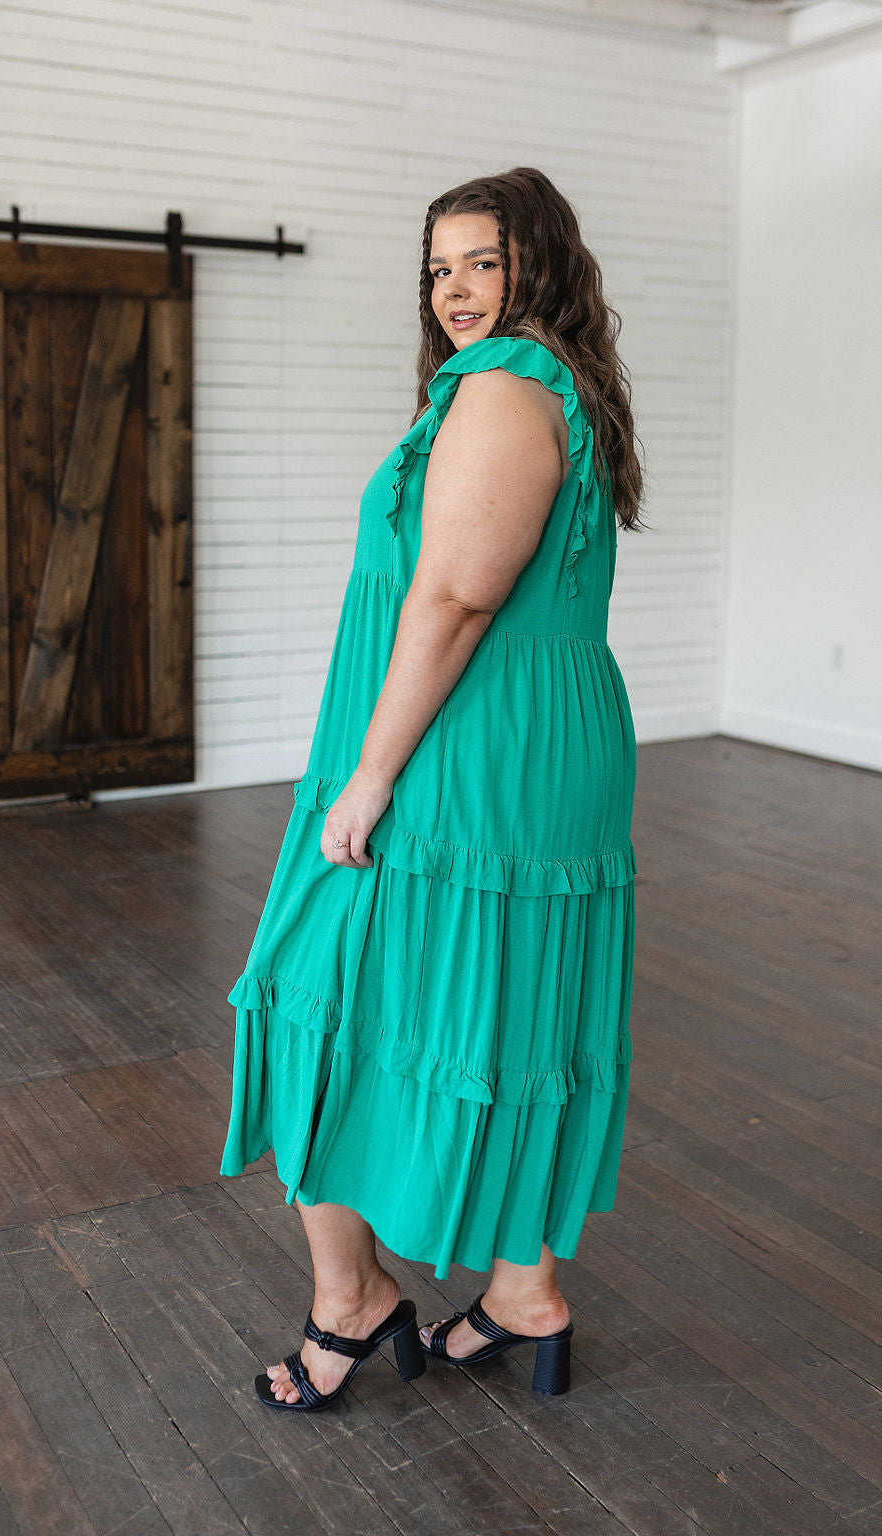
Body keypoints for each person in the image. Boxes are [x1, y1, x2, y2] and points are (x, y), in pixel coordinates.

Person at [218, 166, 646, 1412]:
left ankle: (351, 1303)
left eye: (483, 262)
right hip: (532, 738)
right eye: (438, 268)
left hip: (468, 749)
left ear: (537, 265)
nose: (455, 290)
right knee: (513, 1012)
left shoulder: (505, 386)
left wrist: (369, 775)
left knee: (309, 993)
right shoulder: (557, 386)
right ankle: (523, 1295)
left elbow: (455, 598)